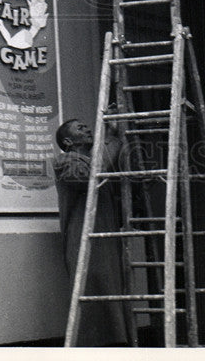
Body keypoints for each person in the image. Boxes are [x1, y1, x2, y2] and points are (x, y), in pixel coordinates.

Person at [54, 117, 129, 347]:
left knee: (111, 295)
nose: (87, 129)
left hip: (105, 239)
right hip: (84, 242)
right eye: (80, 128)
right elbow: (92, 175)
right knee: (94, 297)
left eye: (86, 126)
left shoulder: (91, 161)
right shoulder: (65, 161)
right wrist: (112, 138)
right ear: (68, 141)